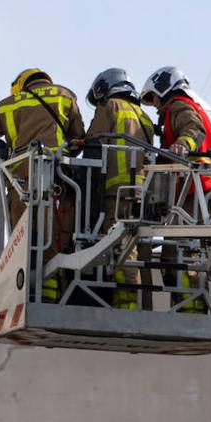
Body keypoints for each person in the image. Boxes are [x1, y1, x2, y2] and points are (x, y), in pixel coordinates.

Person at [0, 68, 86, 301]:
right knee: (55, 243)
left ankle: (26, 296)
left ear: (20, 85)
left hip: (20, 185)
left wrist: (4, 151)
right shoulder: (65, 95)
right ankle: (49, 298)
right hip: (59, 182)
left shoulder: (7, 104)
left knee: (23, 244)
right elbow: (79, 139)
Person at [140, 67, 211, 313]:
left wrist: (183, 144)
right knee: (183, 252)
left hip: (193, 191)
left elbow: (193, 129)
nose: (155, 106)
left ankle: (190, 309)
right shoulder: (189, 105)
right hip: (202, 189)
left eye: (153, 99)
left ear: (163, 88)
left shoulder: (178, 105)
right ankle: (189, 306)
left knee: (181, 253)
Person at [84, 68, 155, 309]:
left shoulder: (110, 106)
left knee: (120, 248)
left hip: (117, 191)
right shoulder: (144, 117)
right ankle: (140, 303)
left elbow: (94, 141)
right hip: (142, 192)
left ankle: (126, 304)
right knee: (136, 247)